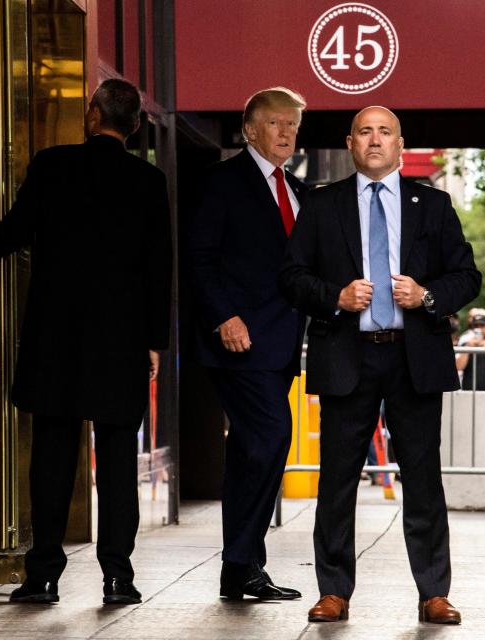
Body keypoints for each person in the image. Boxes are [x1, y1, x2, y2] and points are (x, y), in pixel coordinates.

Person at [0, 78, 172, 605]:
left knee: (53, 457)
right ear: (132, 126)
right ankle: (117, 575)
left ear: (92, 115)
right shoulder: (148, 181)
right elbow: (159, 268)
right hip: (121, 340)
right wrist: (154, 340)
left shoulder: (51, 165)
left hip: (55, 337)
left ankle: (42, 575)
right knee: (116, 460)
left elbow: (18, 227)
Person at [279, 106, 481, 625]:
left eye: (384, 132)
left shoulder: (433, 205)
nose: (375, 140)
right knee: (337, 479)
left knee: (423, 477)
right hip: (348, 354)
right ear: (350, 143)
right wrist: (335, 297)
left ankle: (434, 592)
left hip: (415, 358)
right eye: (365, 131)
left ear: (400, 143)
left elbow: (467, 276)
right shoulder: (322, 205)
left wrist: (428, 294)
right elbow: (291, 277)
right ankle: (333, 590)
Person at [186, 87, 307, 602]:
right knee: (274, 433)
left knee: (250, 450)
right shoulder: (220, 182)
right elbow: (199, 257)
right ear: (250, 130)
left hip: (281, 343)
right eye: (276, 124)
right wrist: (223, 318)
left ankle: (239, 570)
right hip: (237, 341)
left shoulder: (300, 190)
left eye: (294, 126)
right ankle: (242, 560)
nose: (286, 134)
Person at [456, 307, 485, 391]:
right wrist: (468, 348)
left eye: (482, 325)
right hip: (470, 391)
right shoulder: (466, 343)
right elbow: (459, 367)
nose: (479, 329)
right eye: (476, 326)